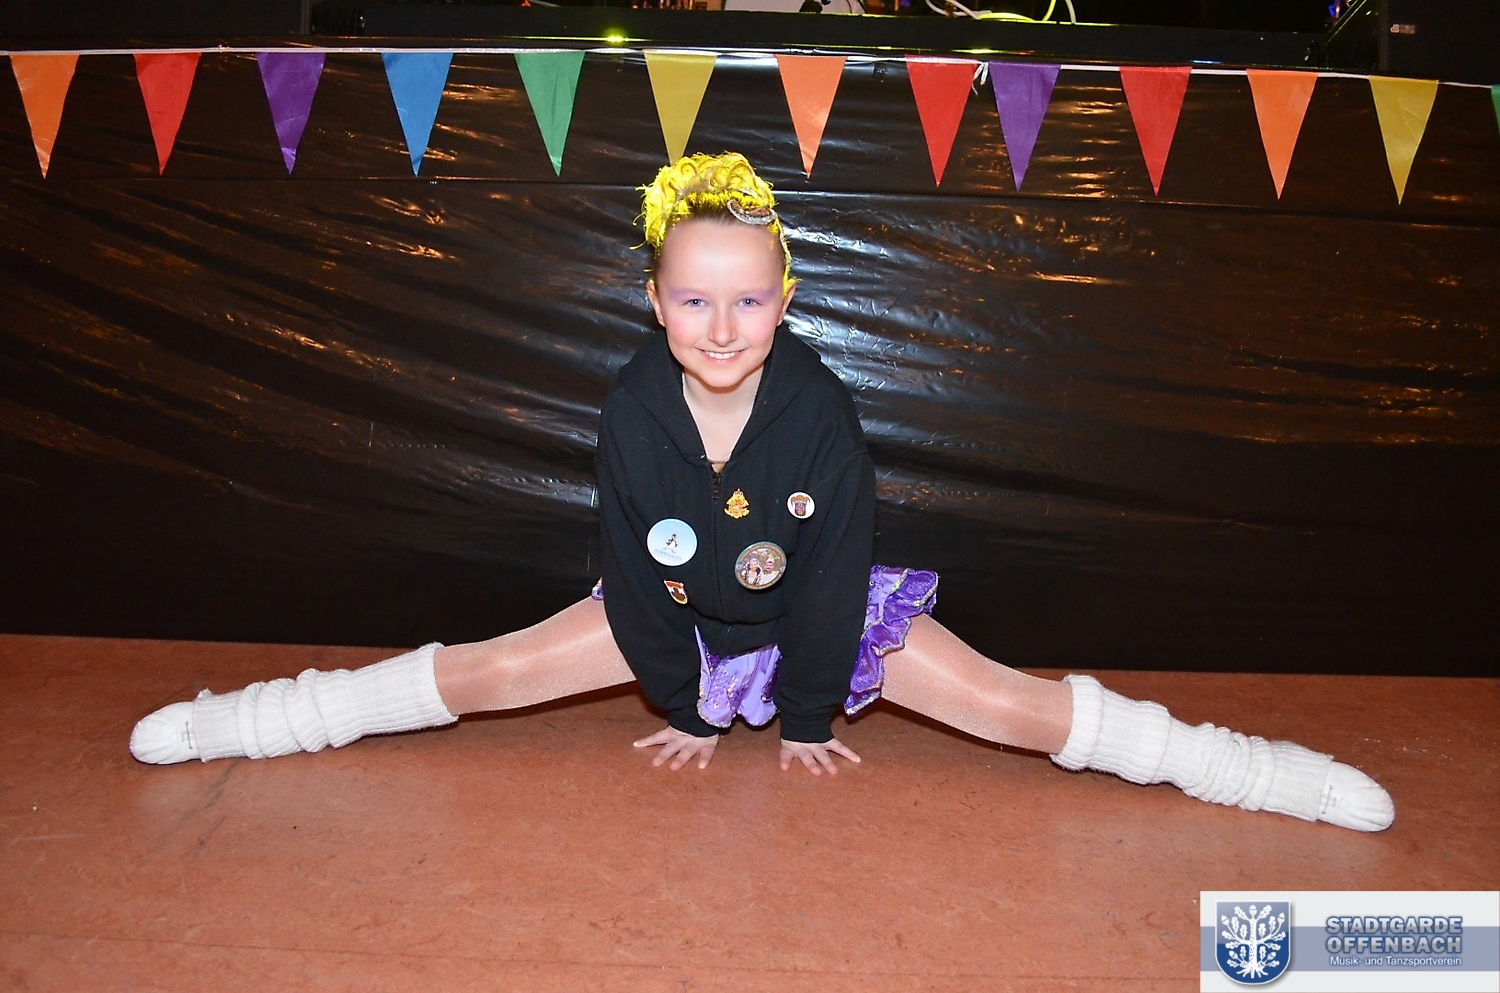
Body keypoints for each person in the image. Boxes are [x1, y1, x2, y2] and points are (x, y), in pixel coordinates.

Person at [130, 152, 1394, 832]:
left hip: (817, 617)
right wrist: (681, 698)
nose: (723, 327)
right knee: (491, 670)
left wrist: (803, 713)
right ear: (654, 303)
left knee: (1011, 706)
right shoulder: (631, 411)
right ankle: (255, 720)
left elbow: (834, 573)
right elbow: (631, 567)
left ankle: (1246, 771)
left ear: (785, 301)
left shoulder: (821, 413)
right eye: (694, 299)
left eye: (748, 300)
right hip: (674, 617)